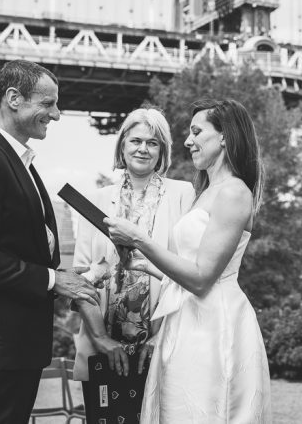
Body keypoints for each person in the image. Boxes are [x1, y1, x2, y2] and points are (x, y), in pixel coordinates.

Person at [106, 98, 273, 423]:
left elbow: (201, 277)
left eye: (197, 131)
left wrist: (139, 238)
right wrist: (143, 263)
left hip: (213, 325)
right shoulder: (207, 192)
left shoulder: (234, 193)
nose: (187, 140)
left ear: (224, 136)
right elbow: (188, 267)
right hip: (185, 319)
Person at [0, 60, 97, 424]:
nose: (57, 114)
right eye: (47, 104)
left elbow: (16, 246)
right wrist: (52, 280)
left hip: (15, 348)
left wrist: (61, 273)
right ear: (13, 98)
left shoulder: (18, 162)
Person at [70, 107, 195, 418]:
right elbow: (80, 277)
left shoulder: (183, 194)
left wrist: (160, 336)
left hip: (162, 341)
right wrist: (100, 338)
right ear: (122, 144)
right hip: (104, 345)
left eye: (153, 143)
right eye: (136, 140)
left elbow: (187, 275)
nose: (143, 149)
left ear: (163, 150)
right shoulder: (96, 200)